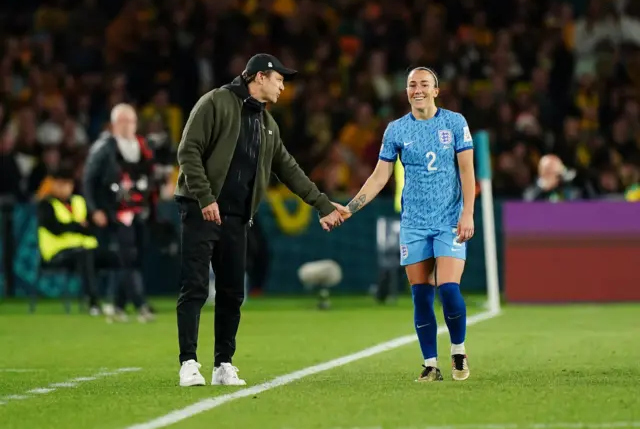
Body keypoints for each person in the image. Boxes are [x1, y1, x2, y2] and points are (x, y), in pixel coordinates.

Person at [174, 53, 344, 387]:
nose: (283, 86)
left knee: (232, 292)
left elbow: (289, 169)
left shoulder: (267, 124)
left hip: (237, 218)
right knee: (194, 287)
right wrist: (205, 197)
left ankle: (223, 363)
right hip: (201, 209)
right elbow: (188, 150)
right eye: (280, 79)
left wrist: (322, 204)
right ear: (260, 77)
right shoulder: (216, 102)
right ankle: (188, 362)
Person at [338, 67, 476, 382]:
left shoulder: (455, 123)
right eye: (412, 85)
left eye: (424, 84)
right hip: (414, 222)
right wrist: (350, 208)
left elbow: (467, 171)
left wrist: (467, 213)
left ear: (436, 90)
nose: (418, 90)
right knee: (421, 295)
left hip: (448, 219)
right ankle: (430, 364)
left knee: (449, 289)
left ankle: (458, 351)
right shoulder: (396, 130)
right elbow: (379, 176)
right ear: (406, 91)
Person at [83, 104, 156, 323]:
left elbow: (149, 175)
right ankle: (141, 304)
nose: (127, 125)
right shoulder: (103, 147)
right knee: (128, 257)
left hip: (139, 211)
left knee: (134, 257)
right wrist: (94, 209)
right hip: (115, 212)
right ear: (114, 124)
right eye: (122, 121)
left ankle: (117, 305)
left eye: (130, 120)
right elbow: (88, 179)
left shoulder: (142, 146)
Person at [37, 166, 118, 314]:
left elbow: (92, 227)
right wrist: (78, 225)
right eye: (60, 184)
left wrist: (76, 226)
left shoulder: (79, 201)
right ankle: (93, 303)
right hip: (57, 254)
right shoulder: (46, 205)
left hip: (85, 250)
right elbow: (56, 228)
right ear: (53, 184)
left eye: (67, 184)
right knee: (84, 256)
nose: (64, 188)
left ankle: (118, 302)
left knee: (116, 257)